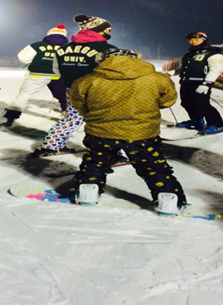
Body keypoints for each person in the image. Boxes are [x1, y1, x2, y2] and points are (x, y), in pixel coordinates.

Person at [65, 48, 188, 213]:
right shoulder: (157, 79)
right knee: (153, 167)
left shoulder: (86, 81)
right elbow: (167, 101)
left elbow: (79, 104)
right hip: (141, 134)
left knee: (95, 163)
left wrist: (95, 115)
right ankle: (168, 199)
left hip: (101, 133)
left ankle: (87, 193)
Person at [31, 14, 117, 156]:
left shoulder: (63, 49)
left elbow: (56, 70)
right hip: (99, 92)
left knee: (72, 119)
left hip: (72, 90)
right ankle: (106, 153)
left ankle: (51, 145)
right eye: (108, 29)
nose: (109, 32)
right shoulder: (108, 49)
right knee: (104, 122)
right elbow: (117, 71)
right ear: (98, 29)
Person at [2, 24, 69, 127]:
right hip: (58, 76)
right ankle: (68, 115)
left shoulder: (37, 45)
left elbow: (23, 58)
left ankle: (10, 118)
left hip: (37, 75)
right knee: (63, 95)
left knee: (24, 96)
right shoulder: (68, 47)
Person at [175, 32, 223, 134]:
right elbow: (183, 68)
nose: (193, 42)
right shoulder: (189, 54)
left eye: (197, 40)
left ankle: (217, 124)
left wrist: (207, 84)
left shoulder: (213, 54)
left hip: (200, 83)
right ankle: (197, 120)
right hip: (186, 83)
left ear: (204, 40)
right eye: (191, 40)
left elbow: (215, 70)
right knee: (186, 103)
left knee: (202, 105)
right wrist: (171, 73)